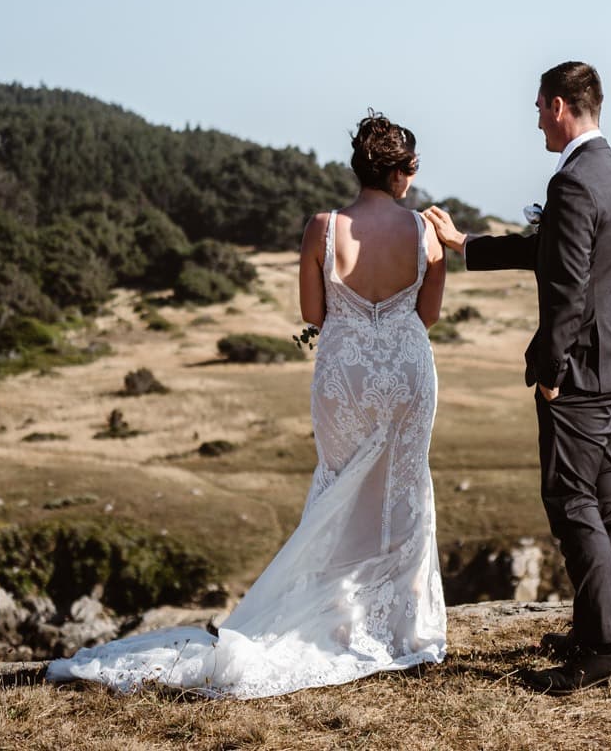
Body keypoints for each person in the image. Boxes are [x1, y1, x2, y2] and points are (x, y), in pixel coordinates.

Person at [47, 112, 448, 698]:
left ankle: (336, 615)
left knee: (339, 484)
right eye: (411, 169)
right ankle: (402, 627)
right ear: (401, 171)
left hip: (346, 377)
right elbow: (427, 317)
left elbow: (315, 315)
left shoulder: (322, 227)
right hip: (409, 374)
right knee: (404, 486)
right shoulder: (425, 231)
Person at [424, 60, 611, 694]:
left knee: (570, 499)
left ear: (558, 106)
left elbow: (568, 290)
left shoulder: (575, 181)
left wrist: (550, 370)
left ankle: (606, 647)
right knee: (608, 500)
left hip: (583, 373)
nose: (535, 121)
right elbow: (549, 251)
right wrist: (467, 245)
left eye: (537, 108)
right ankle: (594, 628)